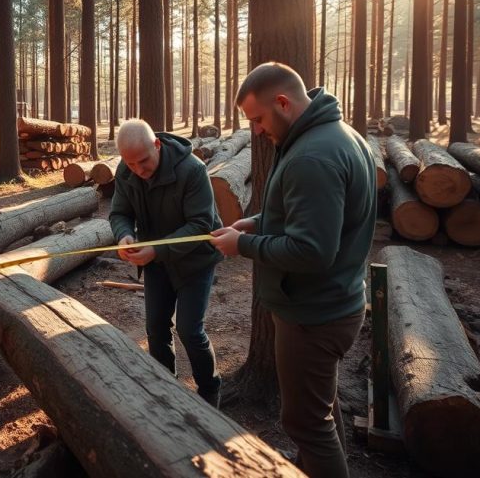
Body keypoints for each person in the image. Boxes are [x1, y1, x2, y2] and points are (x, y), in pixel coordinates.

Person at [210, 62, 375, 478]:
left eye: (259, 119)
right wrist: (259, 222)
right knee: (319, 411)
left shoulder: (312, 156)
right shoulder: (337, 136)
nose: (258, 131)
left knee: (306, 424)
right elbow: (312, 215)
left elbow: (312, 250)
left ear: (282, 102)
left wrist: (242, 244)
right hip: (330, 304)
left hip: (314, 316)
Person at [108, 119, 223, 407]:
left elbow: (200, 225)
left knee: (189, 329)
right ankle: (165, 389)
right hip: (156, 262)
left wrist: (155, 252)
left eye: (144, 161)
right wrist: (124, 236)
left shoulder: (192, 170)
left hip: (195, 261)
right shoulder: (126, 171)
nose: (138, 170)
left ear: (157, 145)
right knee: (156, 328)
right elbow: (119, 213)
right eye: (130, 163)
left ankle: (209, 392)